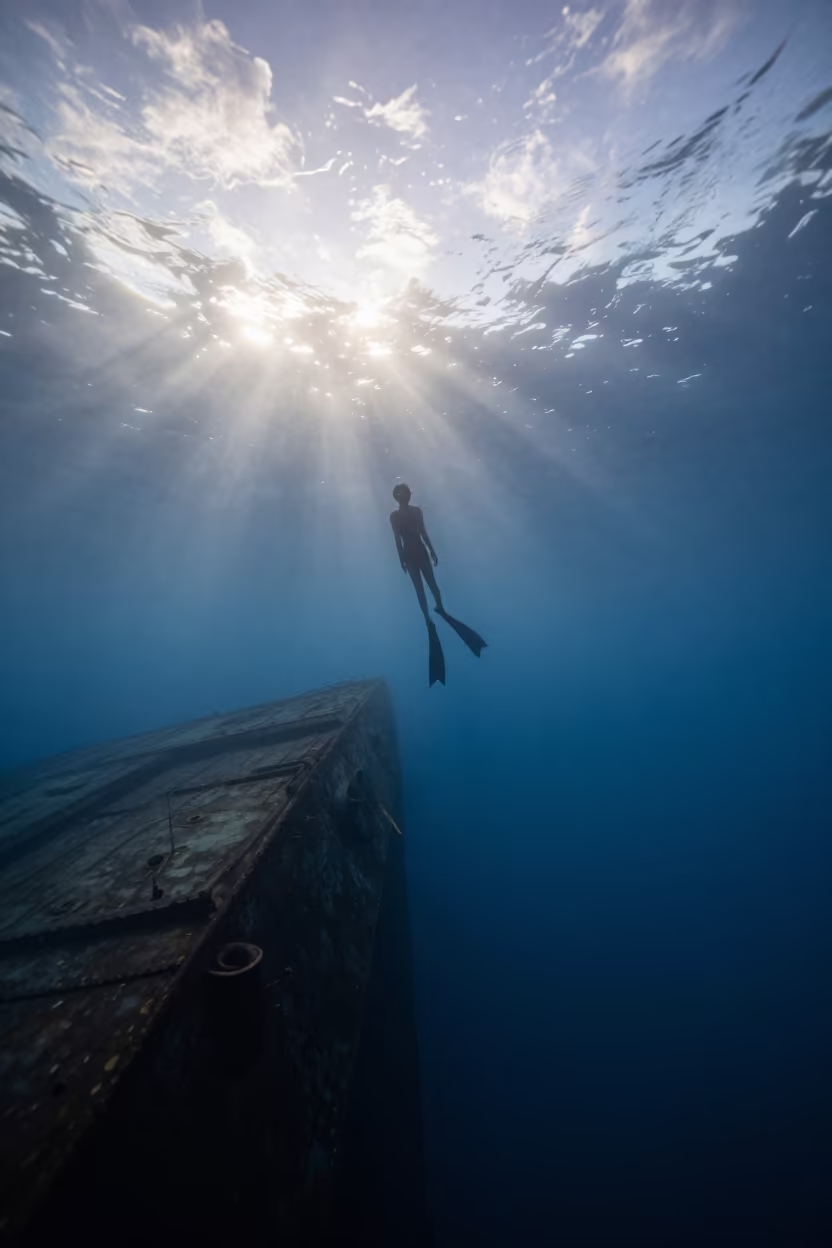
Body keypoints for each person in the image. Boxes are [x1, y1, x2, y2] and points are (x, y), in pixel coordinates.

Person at [390, 483, 486, 686]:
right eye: (401, 494)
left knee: (432, 585)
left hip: (420, 552)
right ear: (397, 497)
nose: (405, 496)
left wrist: (432, 551)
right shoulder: (394, 516)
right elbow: (397, 539)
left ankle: (439, 608)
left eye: (406, 493)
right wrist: (401, 560)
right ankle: (428, 617)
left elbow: (423, 532)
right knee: (419, 590)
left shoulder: (416, 511)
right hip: (410, 555)